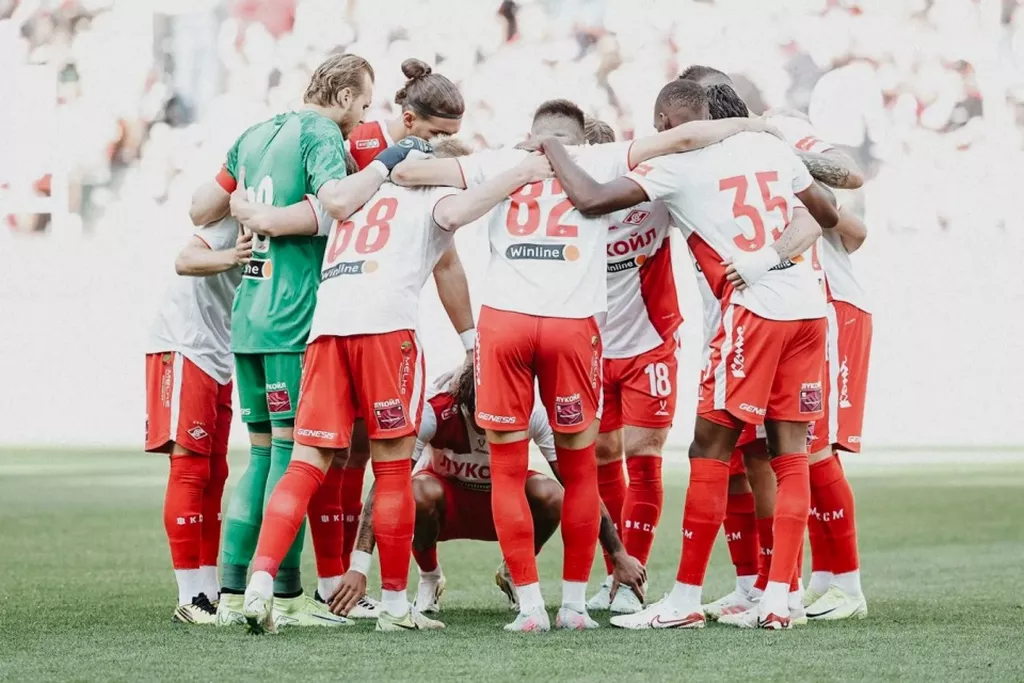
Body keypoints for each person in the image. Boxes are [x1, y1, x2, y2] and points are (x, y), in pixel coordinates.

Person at [391, 97, 775, 631]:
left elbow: (409, 173)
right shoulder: (602, 159)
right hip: (572, 326)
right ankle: (573, 606)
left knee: (508, 470)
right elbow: (686, 138)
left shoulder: (501, 160)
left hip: (504, 325)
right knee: (579, 470)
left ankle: (530, 609)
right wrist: (756, 124)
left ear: (534, 133)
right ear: (580, 139)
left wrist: (511, 166)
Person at [533, 79, 838, 630]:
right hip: (808, 310)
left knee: (709, 449)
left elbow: (591, 199)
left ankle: (684, 601)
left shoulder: (677, 165)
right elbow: (825, 212)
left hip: (754, 313)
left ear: (666, 124)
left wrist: (551, 146)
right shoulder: (767, 145)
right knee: (790, 455)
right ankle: (778, 602)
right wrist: (771, 253)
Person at [236, 135, 553, 634]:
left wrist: (240, 199)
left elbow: (272, 220)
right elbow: (463, 209)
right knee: (390, 471)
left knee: (304, 464)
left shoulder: (352, 194)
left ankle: (259, 585)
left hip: (326, 332)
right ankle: (394, 608)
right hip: (387, 333)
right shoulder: (435, 197)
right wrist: (523, 170)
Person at [187, 52, 422, 629]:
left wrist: (248, 205)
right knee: (293, 457)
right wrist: (386, 162)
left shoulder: (255, 134)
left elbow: (200, 207)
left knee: (261, 454)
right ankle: (287, 596)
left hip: (249, 312)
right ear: (343, 97)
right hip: (293, 315)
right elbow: (337, 202)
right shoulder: (321, 133)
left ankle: (232, 594)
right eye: (363, 104)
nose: (361, 117)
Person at [685, 65, 871, 622]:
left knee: (810, 449)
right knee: (749, 453)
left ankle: (844, 584)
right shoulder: (693, 158)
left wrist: (768, 147)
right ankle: (771, 584)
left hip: (822, 303)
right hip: (748, 314)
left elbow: (849, 184)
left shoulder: (779, 130)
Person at [328, 362, 647, 618]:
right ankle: (430, 577)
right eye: (482, 421)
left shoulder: (530, 410)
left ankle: (514, 570)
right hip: (449, 505)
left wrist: (618, 553)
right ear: (465, 406)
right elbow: (386, 484)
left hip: (508, 508)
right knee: (416, 492)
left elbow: (578, 484)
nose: (491, 431)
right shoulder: (434, 410)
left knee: (553, 495)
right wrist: (359, 567)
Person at [327, 59, 473, 600]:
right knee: (333, 452)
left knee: (366, 452)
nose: (439, 147)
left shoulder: (431, 167)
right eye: (434, 135)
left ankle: (353, 579)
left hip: (384, 319)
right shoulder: (358, 142)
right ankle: (330, 578)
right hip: (339, 307)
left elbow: (447, 262)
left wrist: (471, 342)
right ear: (408, 121)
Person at [577, 118, 679, 616]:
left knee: (643, 455)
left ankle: (631, 581)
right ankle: (613, 570)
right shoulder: (567, 202)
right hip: (592, 350)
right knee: (600, 457)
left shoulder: (654, 196)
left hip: (649, 344)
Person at [144, 216, 250, 623]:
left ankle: (208, 590)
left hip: (220, 350)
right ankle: (189, 597)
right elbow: (185, 259)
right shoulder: (236, 216)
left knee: (215, 471)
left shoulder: (284, 220)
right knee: (189, 469)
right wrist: (234, 255)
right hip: (185, 342)